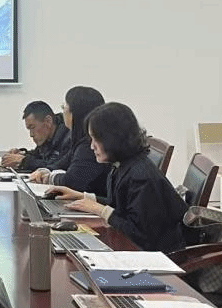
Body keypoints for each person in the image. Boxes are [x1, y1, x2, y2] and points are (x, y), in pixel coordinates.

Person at [47, 102, 187, 252]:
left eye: (95, 139)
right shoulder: (123, 164)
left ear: (113, 139)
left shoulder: (141, 178)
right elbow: (122, 207)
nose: (92, 146)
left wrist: (101, 210)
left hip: (158, 256)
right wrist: (83, 197)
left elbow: (139, 234)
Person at [29, 86, 110, 195]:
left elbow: (72, 181)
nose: (63, 111)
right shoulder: (79, 140)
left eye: (64, 107)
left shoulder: (89, 145)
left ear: (76, 113)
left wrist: (50, 177)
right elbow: (61, 164)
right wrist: (45, 171)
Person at [0, 101, 73, 172]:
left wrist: (24, 161)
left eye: (32, 127)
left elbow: (57, 166)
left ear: (48, 121)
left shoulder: (70, 138)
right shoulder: (48, 138)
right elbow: (39, 156)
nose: (31, 134)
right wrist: (22, 154)